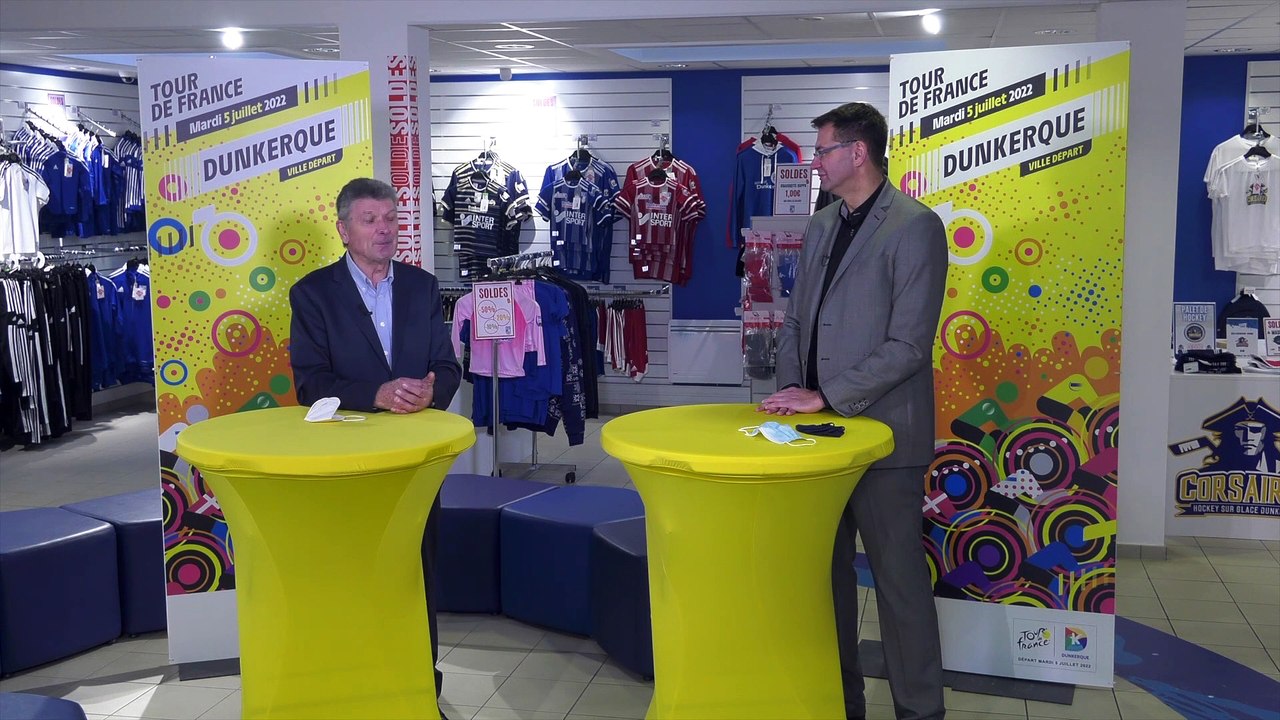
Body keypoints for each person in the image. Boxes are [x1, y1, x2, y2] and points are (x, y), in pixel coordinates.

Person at [759, 102, 948, 720]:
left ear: (857, 153)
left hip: (884, 437)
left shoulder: (915, 226)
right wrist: (793, 393)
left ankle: (920, 710)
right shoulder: (819, 225)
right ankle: (842, 704)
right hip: (814, 437)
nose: (813, 161)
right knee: (825, 581)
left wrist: (828, 395)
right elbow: (794, 322)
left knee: (900, 589)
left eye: (822, 150)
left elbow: (909, 346)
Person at [288, 177, 461, 711]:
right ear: (343, 230)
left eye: (390, 218)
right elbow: (310, 384)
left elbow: (448, 367)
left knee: (417, 572)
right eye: (371, 220)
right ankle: (356, 685)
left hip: (414, 462)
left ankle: (418, 683)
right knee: (355, 574)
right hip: (348, 464)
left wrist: (433, 389)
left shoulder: (423, 286)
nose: (385, 230)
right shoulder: (313, 294)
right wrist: (377, 395)